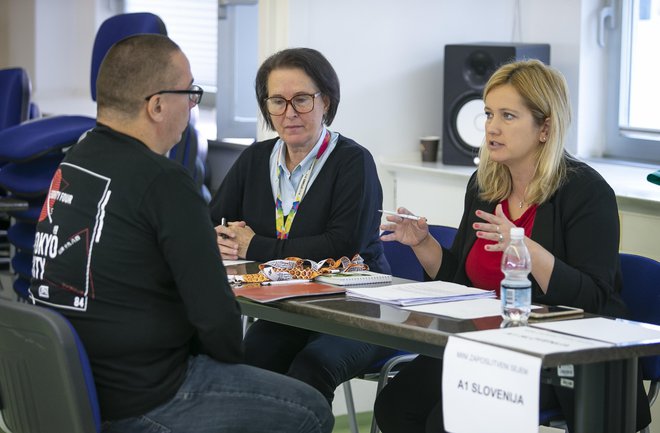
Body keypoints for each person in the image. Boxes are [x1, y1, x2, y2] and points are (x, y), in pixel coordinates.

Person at [29, 34, 333, 433]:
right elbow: (219, 322)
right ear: (157, 105)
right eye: (189, 94)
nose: (192, 105)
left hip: (67, 387)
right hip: (145, 397)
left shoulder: (76, 162)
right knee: (310, 409)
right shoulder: (165, 182)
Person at [373, 59, 651, 433]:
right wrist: (423, 244)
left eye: (508, 116)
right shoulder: (486, 183)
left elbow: (596, 302)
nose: (492, 127)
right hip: (484, 344)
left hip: (560, 358)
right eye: (489, 114)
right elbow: (462, 281)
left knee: (451, 419)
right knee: (397, 403)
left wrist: (525, 248)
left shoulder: (586, 191)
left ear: (545, 127)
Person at [209, 47, 395, 403]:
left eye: (302, 100)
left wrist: (254, 246)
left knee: (313, 366)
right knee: (246, 361)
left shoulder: (353, 162)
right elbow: (211, 221)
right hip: (290, 305)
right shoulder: (255, 158)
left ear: (326, 101)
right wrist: (219, 238)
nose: (289, 113)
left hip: (357, 307)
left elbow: (341, 247)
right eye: (277, 101)